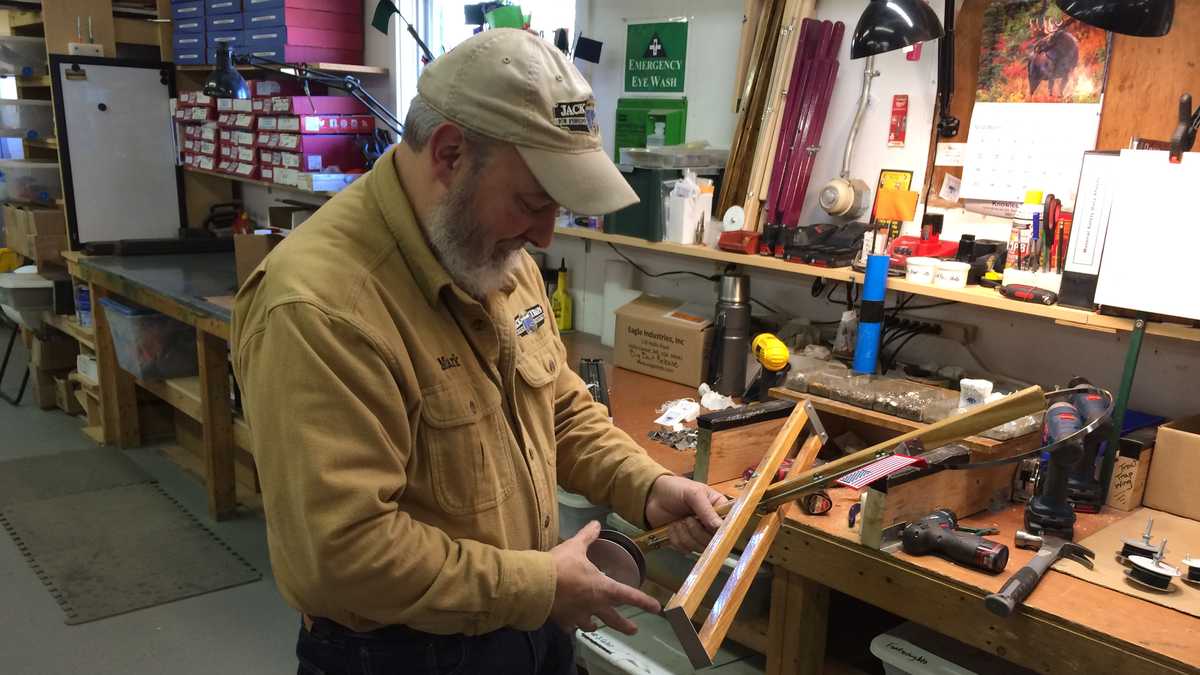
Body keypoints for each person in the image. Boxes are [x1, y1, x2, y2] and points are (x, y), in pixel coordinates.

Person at [232, 28, 729, 675]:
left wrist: (647, 483)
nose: (546, 236)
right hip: (400, 655)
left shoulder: (493, 250)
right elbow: (346, 554)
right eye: (532, 201)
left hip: (526, 618)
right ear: (449, 154)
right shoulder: (320, 307)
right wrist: (539, 585)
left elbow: (558, 407)